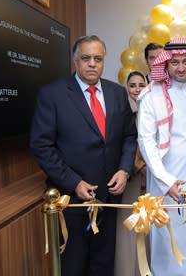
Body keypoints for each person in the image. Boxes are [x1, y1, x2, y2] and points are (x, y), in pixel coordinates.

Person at [30, 35, 137, 276]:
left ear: (103, 61)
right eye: (86, 58)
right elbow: (41, 146)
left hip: (109, 198)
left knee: (103, 263)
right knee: (74, 265)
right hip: (72, 201)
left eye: (97, 59)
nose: (92, 64)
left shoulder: (118, 93)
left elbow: (130, 137)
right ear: (75, 60)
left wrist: (124, 170)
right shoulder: (52, 95)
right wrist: (73, 182)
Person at [138, 38, 186, 276]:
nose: (181, 68)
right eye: (175, 63)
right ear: (166, 65)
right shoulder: (151, 94)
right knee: (168, 233)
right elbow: (146, 141)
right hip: (167, 178)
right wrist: (165, 179)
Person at [115, 71, 148, 276]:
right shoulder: (121, 111)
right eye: (132, 85)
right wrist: (138, 166)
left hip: (153, 179)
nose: (137, 89)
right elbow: (126, 144)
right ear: (127, 88)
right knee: (129, 227)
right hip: (132, 177)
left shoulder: (154, 108)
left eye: (141, 85)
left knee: (149, 226)